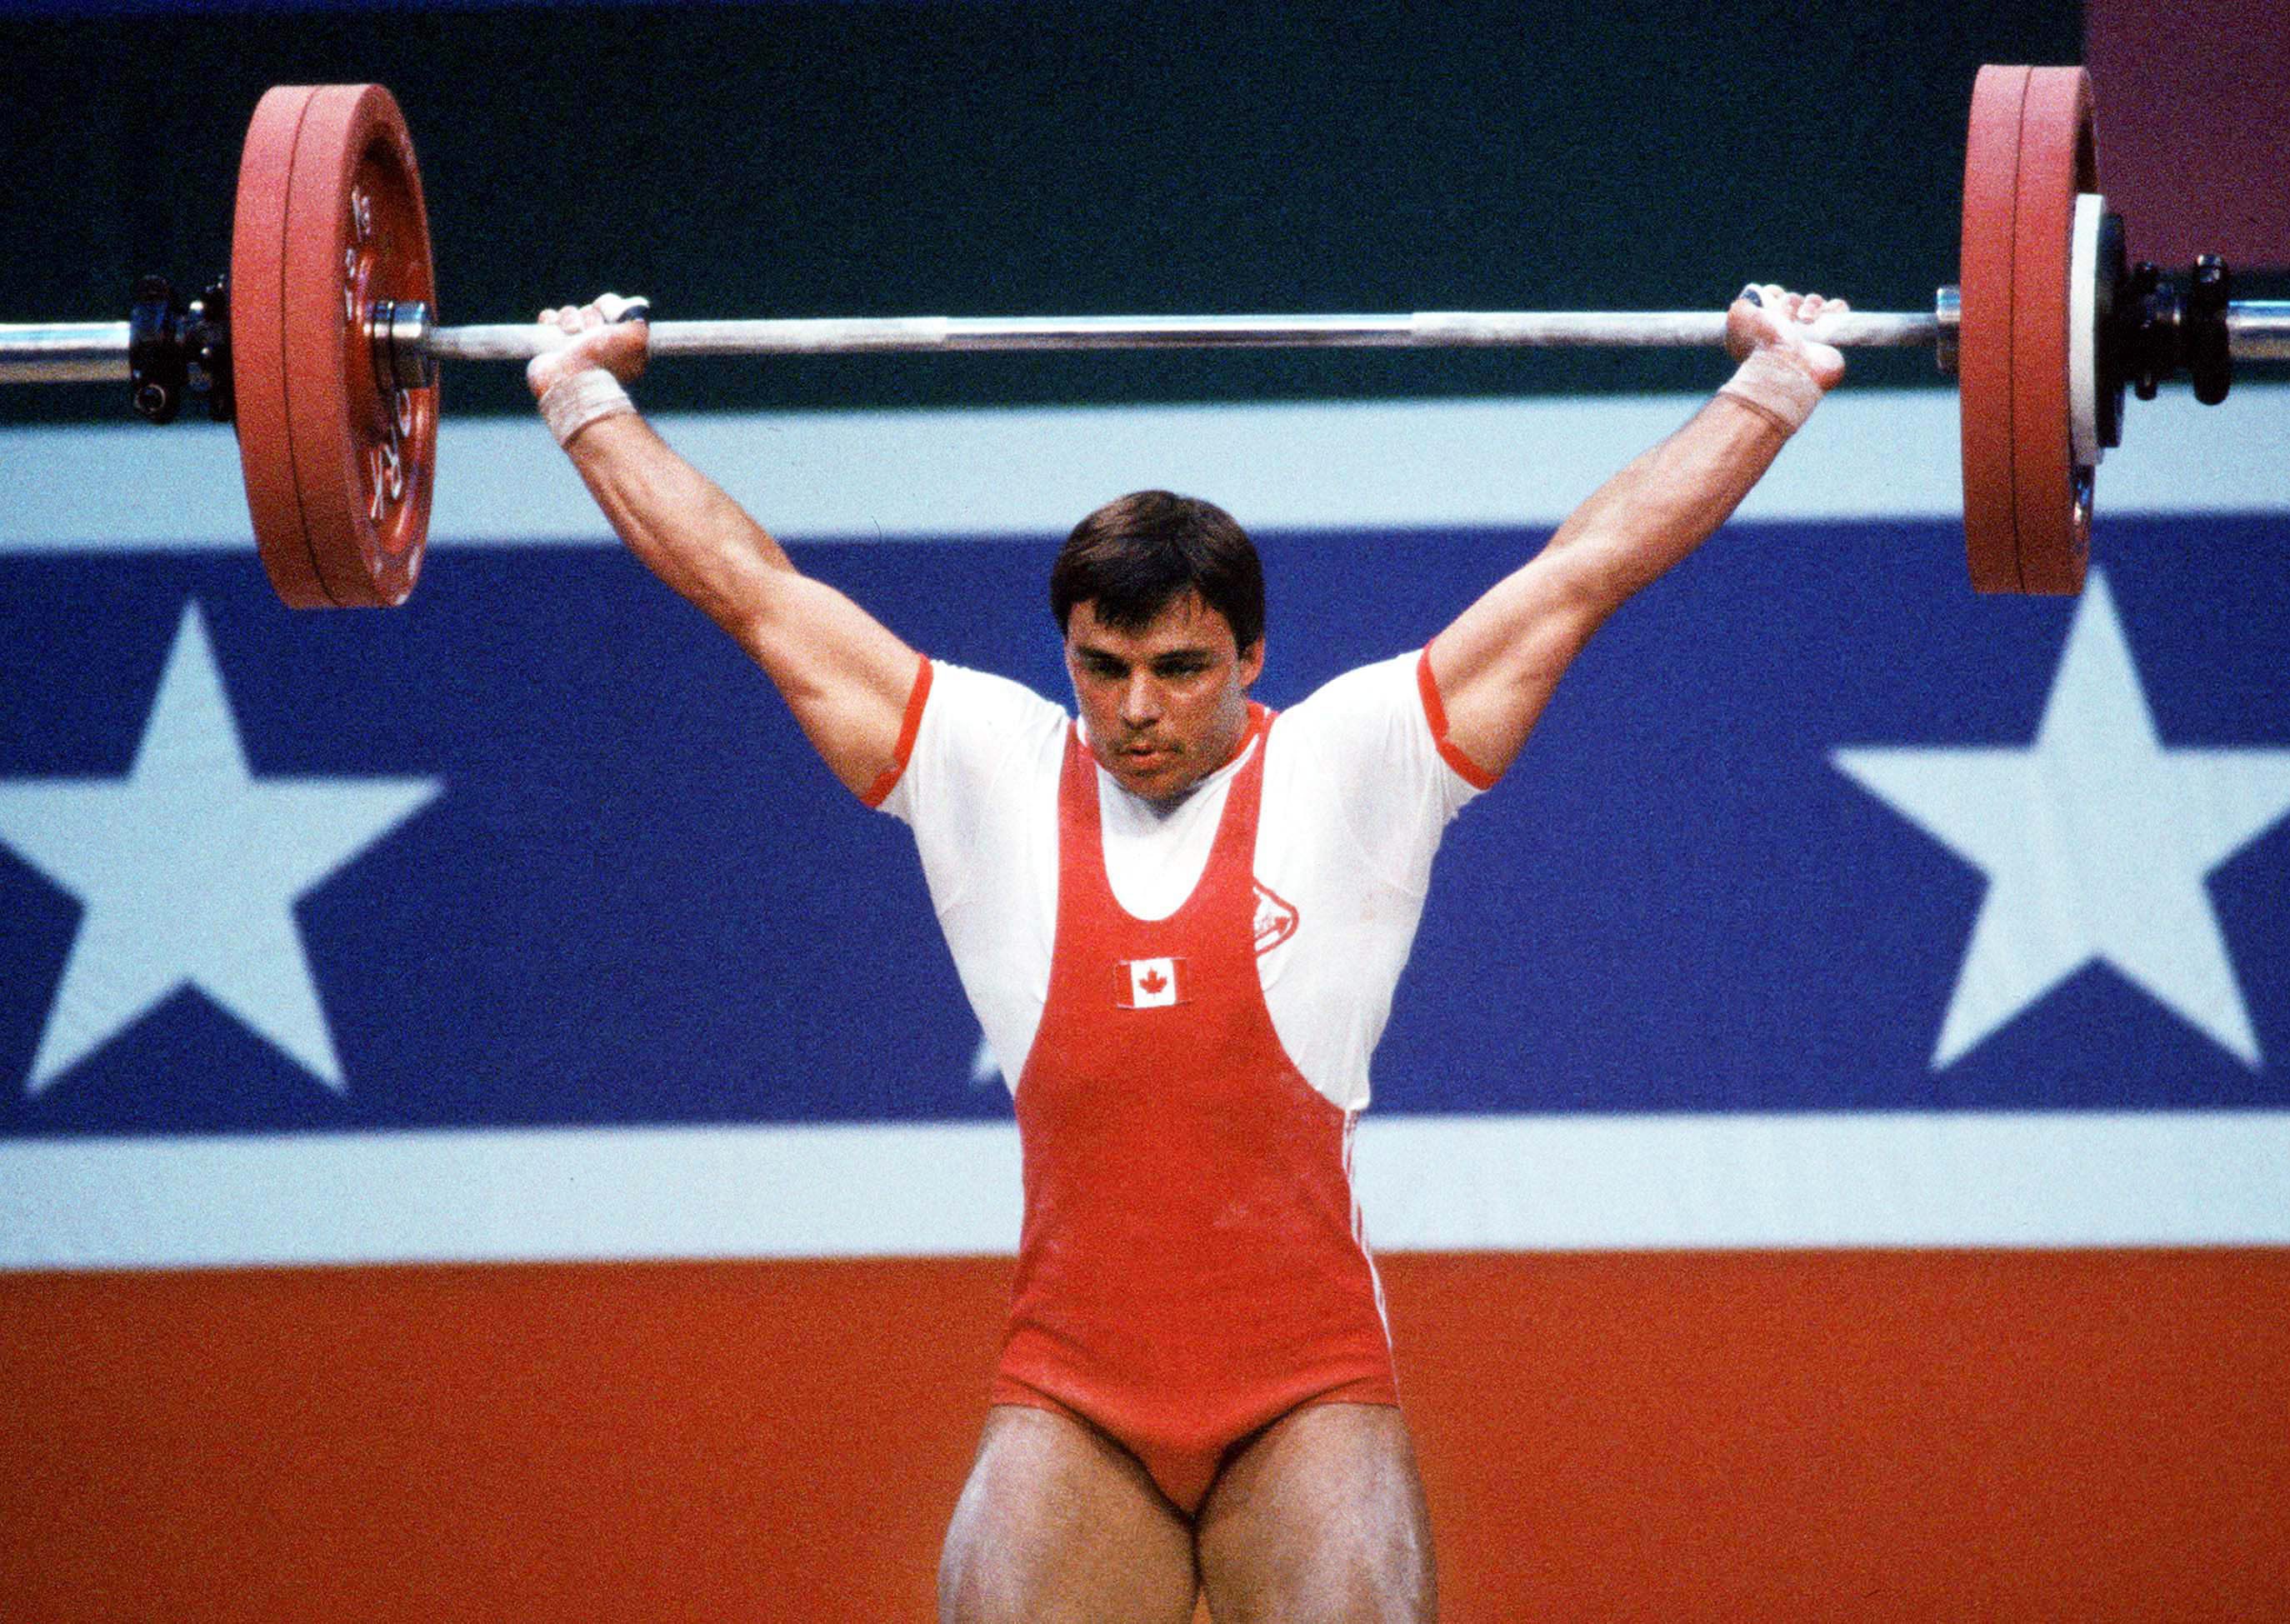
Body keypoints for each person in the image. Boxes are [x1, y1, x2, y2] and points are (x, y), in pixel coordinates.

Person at [527, 283, 1847, 1623]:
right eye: (1102, 668)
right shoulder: (984, 764)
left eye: (1180, 666)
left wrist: (1775, 384)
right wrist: (580, 394)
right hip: (1073, 1395)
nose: (1137, 709)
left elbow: (1586, 569)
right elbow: (751, 588)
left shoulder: (1356, 758)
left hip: (1306, 1389)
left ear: (1252, 654)